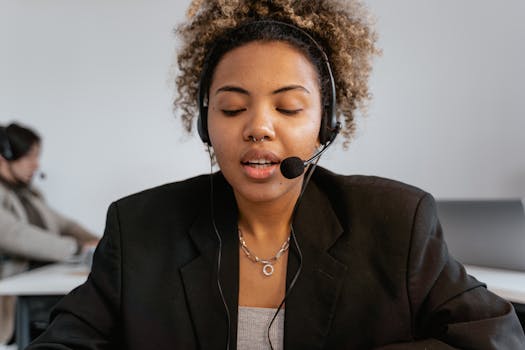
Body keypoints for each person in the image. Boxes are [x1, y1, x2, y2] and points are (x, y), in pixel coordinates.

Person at [28, 0, 525, 349]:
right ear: (206, 124)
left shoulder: (397, 220)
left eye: (288, 108)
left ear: (325, 126)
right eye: (231, 108)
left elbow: (497, 338)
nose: (258, 128)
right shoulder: (139, 226)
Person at [0, 123, 99, 344]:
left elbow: (64, 224)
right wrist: (76, 247)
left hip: (38, 288)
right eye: (29, 156)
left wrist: (102, 241)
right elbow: (16, 235)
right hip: (10, 303)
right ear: (4, 156)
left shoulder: (29, 195)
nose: (36, 165)